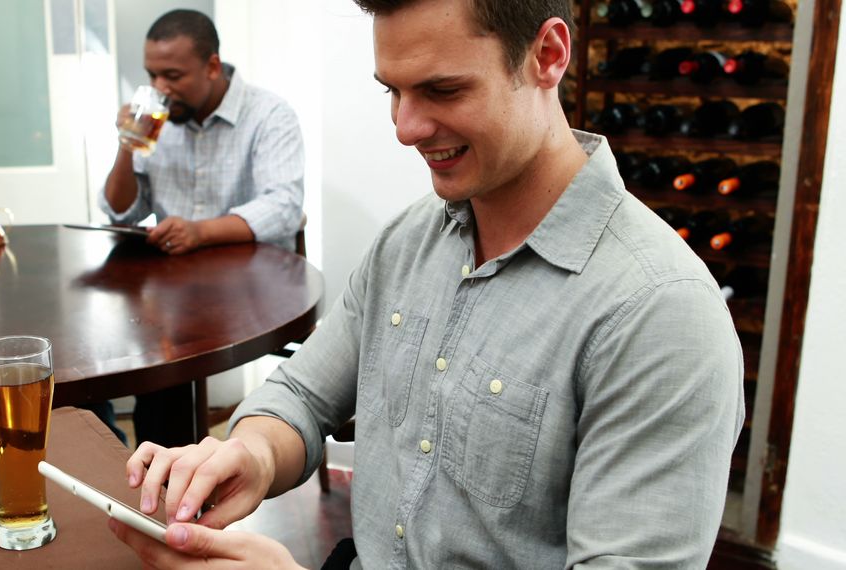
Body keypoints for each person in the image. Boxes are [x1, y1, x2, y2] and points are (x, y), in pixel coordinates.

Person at [107, 0, 746, 568]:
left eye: (442, 90)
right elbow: (301, 394)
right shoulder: (407, 243)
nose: (405, 128)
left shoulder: (659, 316)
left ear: (547, 56)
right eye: (393, 91)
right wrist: (251, 455)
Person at [99, 9, 306, 449]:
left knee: (165, 350)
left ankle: (182, 480)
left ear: (212, 66)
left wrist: (200, 232)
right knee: (142, 344)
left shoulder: (269, 115)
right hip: (178, 290)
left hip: (252, 285)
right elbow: (121, 213)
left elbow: (284, 206)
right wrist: (125, 145)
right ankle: (165, 478)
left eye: (172, 75)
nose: (159, 89)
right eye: (152, 75)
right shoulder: (158, 121)